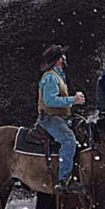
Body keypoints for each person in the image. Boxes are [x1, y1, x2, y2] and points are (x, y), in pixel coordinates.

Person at [35, 44, 85, 193]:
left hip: (60, 117)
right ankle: (64, 180)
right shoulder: (51, 77)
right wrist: (72, 100)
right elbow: (49, 101)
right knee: (69, 140)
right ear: (58, 60)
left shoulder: (58, 75)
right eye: (62, 56)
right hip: (50, 118)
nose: (65, 58)